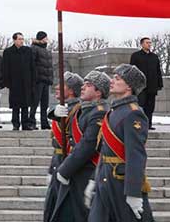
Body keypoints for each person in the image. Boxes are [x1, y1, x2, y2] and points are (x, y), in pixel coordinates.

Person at [86, 64, 154, 222]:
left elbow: (136, 155)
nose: (112, 81)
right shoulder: (114, 111)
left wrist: (133, 192)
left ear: (129, 86)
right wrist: (93, 179)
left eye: (117, 78)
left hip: (120, 183)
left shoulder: (133, 113)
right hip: (105, 179)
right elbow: (104, 151)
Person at [49, 71, 110, 222]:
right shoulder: (85, 109)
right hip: (73, 168)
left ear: (99, 92)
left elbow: (87, 146)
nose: (83, 87)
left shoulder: (98, 112)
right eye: (83, 84)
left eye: (88, 85)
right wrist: (53, 112)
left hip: (85, 170)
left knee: (81, 214)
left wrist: (64, 170)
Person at [44, 72, 83, 222]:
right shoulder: (62, 108)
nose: (57, 87)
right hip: (58, 161)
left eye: (63, 85)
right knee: (51, 207)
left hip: (68, 163)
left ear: (72, 90)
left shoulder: (78, 110)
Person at [3, 32, 35, 131]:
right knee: (15, 105)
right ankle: (15, 123)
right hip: (14, 82)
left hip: (26, 82)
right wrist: (7, 82)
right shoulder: (8, 52)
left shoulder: (28, 51)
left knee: (25, 105)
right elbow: (5, 68)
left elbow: (32, 67)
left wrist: (33, 80)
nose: (22, 41)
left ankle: (25, 123)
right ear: (14, 40)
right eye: (20, 39)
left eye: (22, 39)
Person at [130, 37, 163, 130]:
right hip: (140, 87)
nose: (149, 44)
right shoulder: (136, 56)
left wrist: (159, 84)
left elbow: (158, 71)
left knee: (150, 106)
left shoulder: (154, 57)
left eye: (150, 43)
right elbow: (132, 71)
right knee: (140, 105)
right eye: (147, 42)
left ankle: (148, 124)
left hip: (152, 86)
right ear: (142, 44)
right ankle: (139, 124)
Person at [30, 31, 54, 130]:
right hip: (38, 80)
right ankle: (31, 121)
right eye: (45, 37)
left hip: (46, 80)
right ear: (41, 38)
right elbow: (32, 65)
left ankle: (44, 122)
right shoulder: (34, 49)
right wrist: (34, 77)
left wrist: (50, 78)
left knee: (45, 103)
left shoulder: (47, 50)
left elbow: (49, 66)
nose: (46, 39)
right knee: (35, 102)